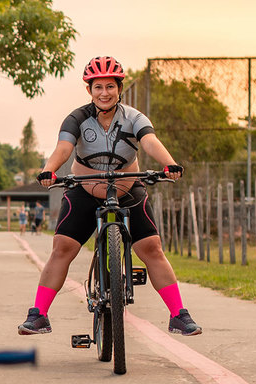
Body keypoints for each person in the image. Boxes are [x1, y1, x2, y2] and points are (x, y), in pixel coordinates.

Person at [18, 56, 202, 337]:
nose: (104, 93)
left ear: (119, 88)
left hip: (127, 189)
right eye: (98, 87)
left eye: (110, 87)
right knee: (62, 248)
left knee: (151, 248)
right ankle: (38, 315)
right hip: (84, 189)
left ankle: (179, 315)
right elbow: (64, 148)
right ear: (89, 91)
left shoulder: (134, 117)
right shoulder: (77, 118)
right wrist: (49, 170)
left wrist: (169, 163)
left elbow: (149, 140)